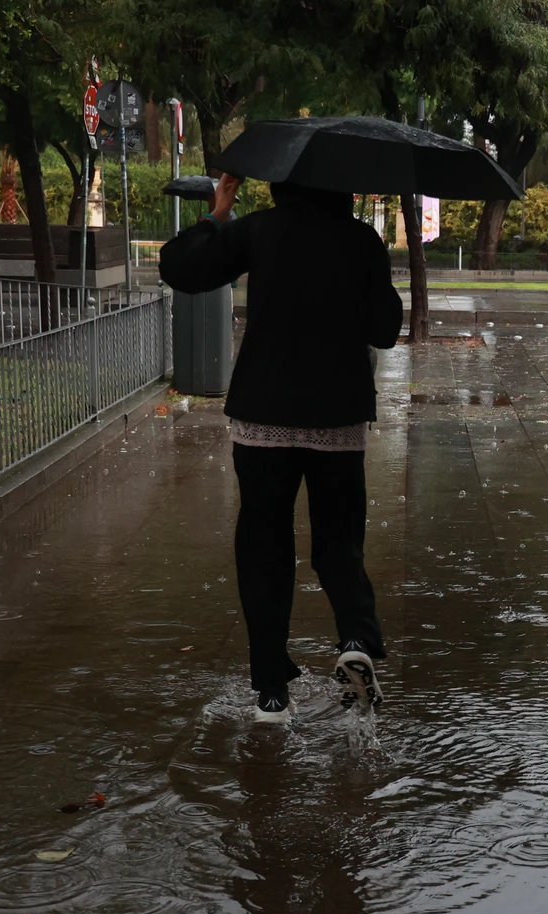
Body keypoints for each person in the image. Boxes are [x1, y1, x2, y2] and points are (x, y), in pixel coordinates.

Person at [160, 174, 404, 725]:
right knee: (339, 542)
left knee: (264, 545)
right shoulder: (361, 240)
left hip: (263, 415)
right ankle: (357, 638)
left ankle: (271, 691)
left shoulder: (258, 231)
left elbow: (180, 269)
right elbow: (385, 330)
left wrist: (216, 215)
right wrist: (375, 272)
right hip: (336, 418)